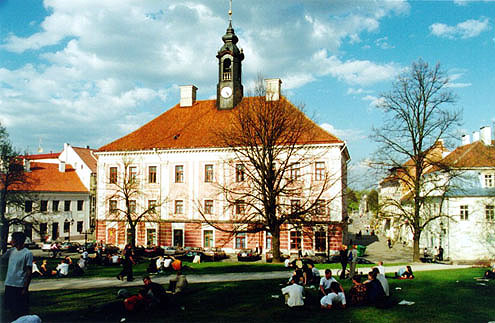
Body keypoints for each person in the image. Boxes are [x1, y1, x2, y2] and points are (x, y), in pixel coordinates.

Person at [1, 232, 33, 319]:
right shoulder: (11, 251)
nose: (11, 241)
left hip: (19, 285)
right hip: (9, 284)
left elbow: (29, 272)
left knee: (20, 310)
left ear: (17, 241)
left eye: (12, 239)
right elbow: (2, 258)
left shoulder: (27, 253)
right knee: (10, 309)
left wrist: (25, 288)